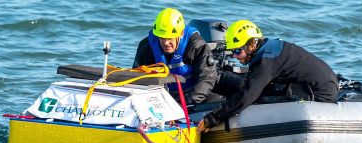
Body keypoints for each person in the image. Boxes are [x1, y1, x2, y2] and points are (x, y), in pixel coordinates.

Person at [199, 20, 340, 132]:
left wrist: (214, 117)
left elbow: (248, 94)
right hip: (323, 86)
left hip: (319, 95)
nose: (235, 56)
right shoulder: (271, 46)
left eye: (238, 50)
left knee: (253, 99)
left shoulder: (266, 60)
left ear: (252, 44)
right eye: (232, 51)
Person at [133, 8, 219, 104]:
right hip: (159, 96)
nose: (166, 43)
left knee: (217, 100)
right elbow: (137, 76)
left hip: (190, 95)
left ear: (181, 33)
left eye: (170, 38)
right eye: (162, 38)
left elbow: (207, 78)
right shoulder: (146, 46)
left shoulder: (196, 45)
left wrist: (187, 102)